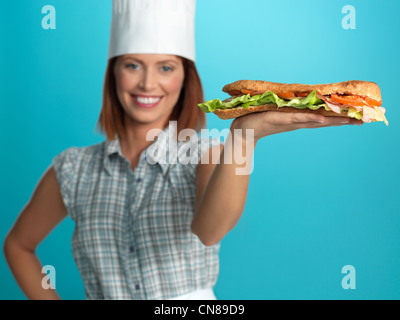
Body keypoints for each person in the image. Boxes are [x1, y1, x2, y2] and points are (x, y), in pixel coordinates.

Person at [3, 0, 362, 300]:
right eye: (132, 65)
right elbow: (18, 246)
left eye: (165, 67)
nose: (148, 83)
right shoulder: (73, 168)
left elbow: (210, 232)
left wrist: (243, 136)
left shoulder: (205, 154)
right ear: (114, 73)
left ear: (185, 78)